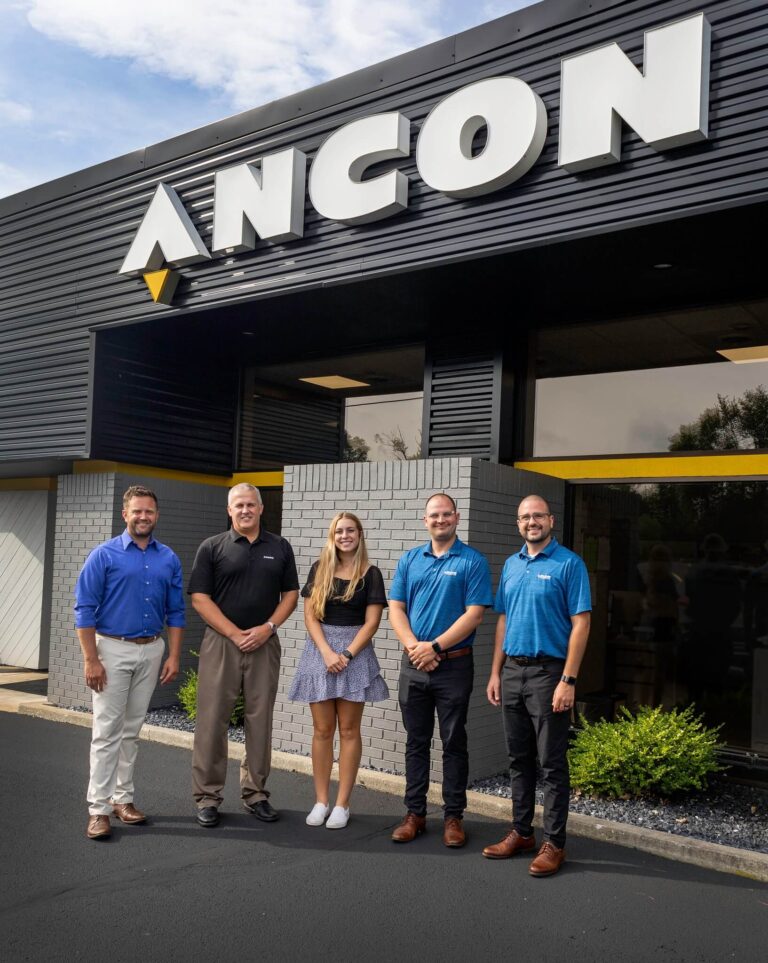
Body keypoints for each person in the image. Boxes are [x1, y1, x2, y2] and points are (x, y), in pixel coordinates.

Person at [484, 494, 591, 877]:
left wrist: (568, 680)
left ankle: (554, 843)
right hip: (513, 671)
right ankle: (522, 832)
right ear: (518, 524)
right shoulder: (512, 565)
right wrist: (495, 672)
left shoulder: (569, 564)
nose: (532, 522)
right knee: (519, 759)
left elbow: (581, 623)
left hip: (549, 675)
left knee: (551, 762)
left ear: (551, 520)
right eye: (525, 517)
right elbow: (503, 620)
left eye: (538, 516)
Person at [74, 484, 185, 840]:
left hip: (151, 650)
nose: (143, 517)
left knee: (131, 730)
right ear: (125, 514)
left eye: (149, 511)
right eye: (137, 511)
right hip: (111, 650)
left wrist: (173, 654)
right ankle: (98, 809)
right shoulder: (103, 555)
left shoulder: (168, 558)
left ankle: (123, 799)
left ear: (157, 515)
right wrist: (91, 659)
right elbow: (84, 610)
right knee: (106, 731)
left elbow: (176, 611)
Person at [188, 483, 299, 827]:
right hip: (222, 642)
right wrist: (235, 633)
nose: (245, 510)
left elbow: (291, 594)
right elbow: (200, 598)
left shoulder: (280, 547)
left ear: (261, 508)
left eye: (251, 504)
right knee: (212, 720)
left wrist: (269, 627)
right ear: (229, 510)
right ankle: (208, 797)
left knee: (260, 720)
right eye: (239, 505)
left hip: (264, 643)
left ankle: (256, 794)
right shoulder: (212, 547)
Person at [389, 492, 493, 848]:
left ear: (457, 517)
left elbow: (474, 615)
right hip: (414, 665)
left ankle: (453, 817)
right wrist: (415, 648)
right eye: (434, 515)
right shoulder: (409, 560)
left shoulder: (473, 561)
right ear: (425, 520)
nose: (440, 519)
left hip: (454, 666)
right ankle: (414, 814)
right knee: (416, 742)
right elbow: (396, 608)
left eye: (446, 514)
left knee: (453, 742)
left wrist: (433, 647)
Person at [288, 512, 389, 829]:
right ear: (332, 536)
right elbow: (309, 616)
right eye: (339, 531)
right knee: (321, 730)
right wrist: (326, 652)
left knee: (348, 730)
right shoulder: (319, 568)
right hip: (320, 651)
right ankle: (321, 801)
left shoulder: (371, 574)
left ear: (360, 535)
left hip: (354, 653)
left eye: (350, 531)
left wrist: (345, 654)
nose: (345, 536)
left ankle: (342, 804)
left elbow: (372, 622)